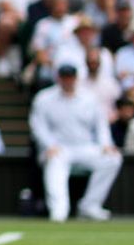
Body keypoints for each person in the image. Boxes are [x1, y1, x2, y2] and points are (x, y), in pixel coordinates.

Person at [29, 64, 123, 222]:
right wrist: (49, 145)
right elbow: (38, 126)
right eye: (64, 77)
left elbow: (101, 125)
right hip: (59, 149)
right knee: (55, 162)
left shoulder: (90, 98)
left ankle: (90, 206)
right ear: (58, 78)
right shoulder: (43, 99)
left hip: (85, 148)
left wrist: (106, 144)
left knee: (113, 159)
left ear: (76, 78)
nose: (67, 80)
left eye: (70, 77)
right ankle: (59, 212)